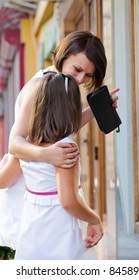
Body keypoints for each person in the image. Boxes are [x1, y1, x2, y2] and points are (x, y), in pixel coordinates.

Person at [0, 30, 119, 249]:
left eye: (88, 75)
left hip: (44, 200)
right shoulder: (41, 87)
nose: (81, 79)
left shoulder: (59, 86)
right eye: (78, 69)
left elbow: (57, 129)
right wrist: (47, 154)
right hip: (34, 197)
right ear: (64, 55)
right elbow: (15, 143)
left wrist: (94, 110)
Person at [1, 72, 103, 260]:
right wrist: (94, 219)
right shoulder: (65, 148)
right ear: (70, 108)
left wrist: (5, 162)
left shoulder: (27, 145)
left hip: (31, 231)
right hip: (59, 234)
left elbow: (4, 180)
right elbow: (68, 201)